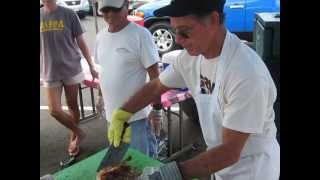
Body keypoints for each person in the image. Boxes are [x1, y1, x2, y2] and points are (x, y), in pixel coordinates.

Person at [109, 0, 280, 179]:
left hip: (252, 171)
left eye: (185, 31)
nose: (178, 40)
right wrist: (123, 112)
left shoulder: (246, 74)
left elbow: (229, 151)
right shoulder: (191, 58)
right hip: (219, 167)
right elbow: (157, 86)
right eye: (175, 31)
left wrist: (168, 174)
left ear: (214, 20)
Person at [94, 0, 162, 158]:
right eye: (105, 10)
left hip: (137, 118)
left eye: (114, 10)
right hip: (112, 116)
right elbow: (102, 71)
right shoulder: (100, 37)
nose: (109, 15)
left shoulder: (141, 35)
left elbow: (155, 75)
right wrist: (100, 96)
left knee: (141, 165)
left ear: (127, 6)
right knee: (120, 164)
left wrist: (157, 110)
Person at [40, 0, 98, 157]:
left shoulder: (69, 14)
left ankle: (74, 139)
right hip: (49, 70)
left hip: (71, 68)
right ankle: (79, 132)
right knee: (54, 110)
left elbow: (81, 42)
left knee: (73, 105)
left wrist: (91, 66)